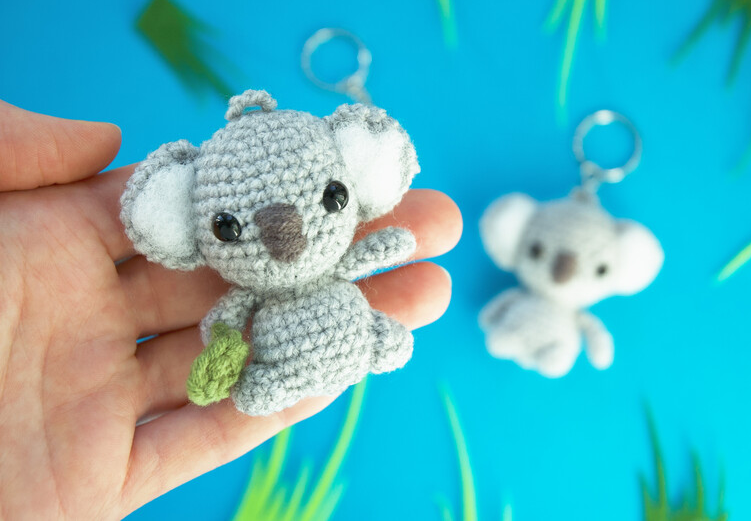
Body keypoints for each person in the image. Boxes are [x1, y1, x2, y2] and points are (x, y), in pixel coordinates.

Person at [0, 100, 462, 520]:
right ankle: (323, 361)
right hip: (296, 355)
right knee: (259, 390)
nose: (285, 238)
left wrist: (387, 246)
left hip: (355, 330)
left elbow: (367, 254)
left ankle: (374, 340)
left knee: (383, 338)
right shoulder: (245, 290)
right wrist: (222, 348)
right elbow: (223, 322)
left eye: (332, 196)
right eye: (229, 228)